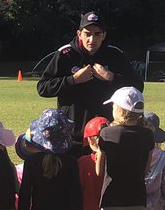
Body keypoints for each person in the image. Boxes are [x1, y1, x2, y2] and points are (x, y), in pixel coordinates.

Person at [36, 11, 142, 145]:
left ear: (104, 35)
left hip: (107, 132)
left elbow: (138, 87)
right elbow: (43, 88)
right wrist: (72, 80)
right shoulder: (65, 54)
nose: (92, 39)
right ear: (79, 34)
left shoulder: (115, 54)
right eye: (87, 34)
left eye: (97, 34)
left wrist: (111, 77)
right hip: (71, 134)